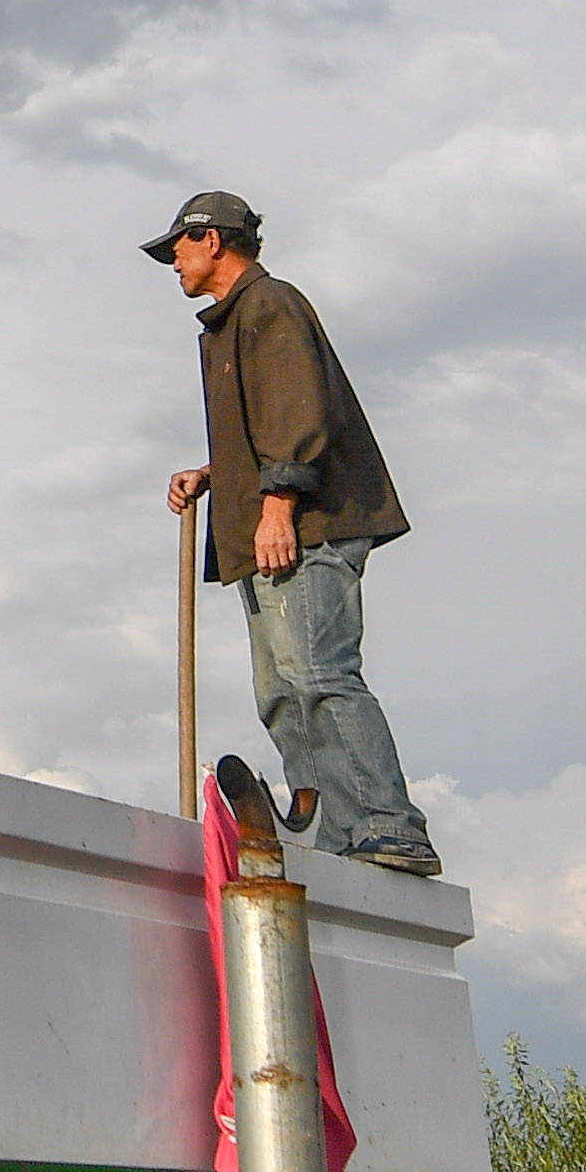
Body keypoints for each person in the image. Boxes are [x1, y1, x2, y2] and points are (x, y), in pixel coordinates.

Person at [151, 189, 440, 878]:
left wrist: (277, 502)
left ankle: (387, 825)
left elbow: (298, 408)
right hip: (268, 528)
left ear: (213, 241)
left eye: (178, 248)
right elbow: (272, 417)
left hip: (304, 528)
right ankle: (335, 832)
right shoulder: (234, 320)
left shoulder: (269, 303)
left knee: (318, 673)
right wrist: (218, 473)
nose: (173, 263)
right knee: (280, 688)